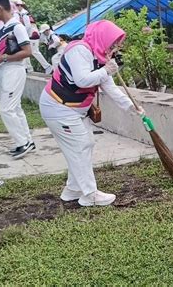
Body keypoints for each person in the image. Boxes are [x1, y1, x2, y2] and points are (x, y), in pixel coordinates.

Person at [38, 20, 144, 207]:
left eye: (116, 45)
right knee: (80, 146)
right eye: (113, 44)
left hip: (74, 110)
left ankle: (72, 190)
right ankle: (89, 194)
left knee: (84, 145)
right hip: (59, 107)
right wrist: (105, 70)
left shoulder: (99, 57)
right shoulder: (80, 51)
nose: (114, 49)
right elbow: (82, 80)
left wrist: (132, 107)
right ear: (103, 39)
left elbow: (109, 87)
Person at [0, 0, 35, 159]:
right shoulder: (2, 28)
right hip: (6, 70)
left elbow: (28, 52)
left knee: (6, 109)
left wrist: (3, 58)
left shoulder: (16, 27)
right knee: (15, 108)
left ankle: (22, 143)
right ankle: (27, 140)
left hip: (15, 70)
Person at [13, 0, 52, 74]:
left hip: (32, 35)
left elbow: (28, 26)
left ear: (20, 5)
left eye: (17, 5)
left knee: (34, 52)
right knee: (26, 51)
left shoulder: (25, 14)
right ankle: (28, 68)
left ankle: (47, 66)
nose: (16, 7)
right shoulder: (21, 14)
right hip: (29, 35)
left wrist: (23, 35)